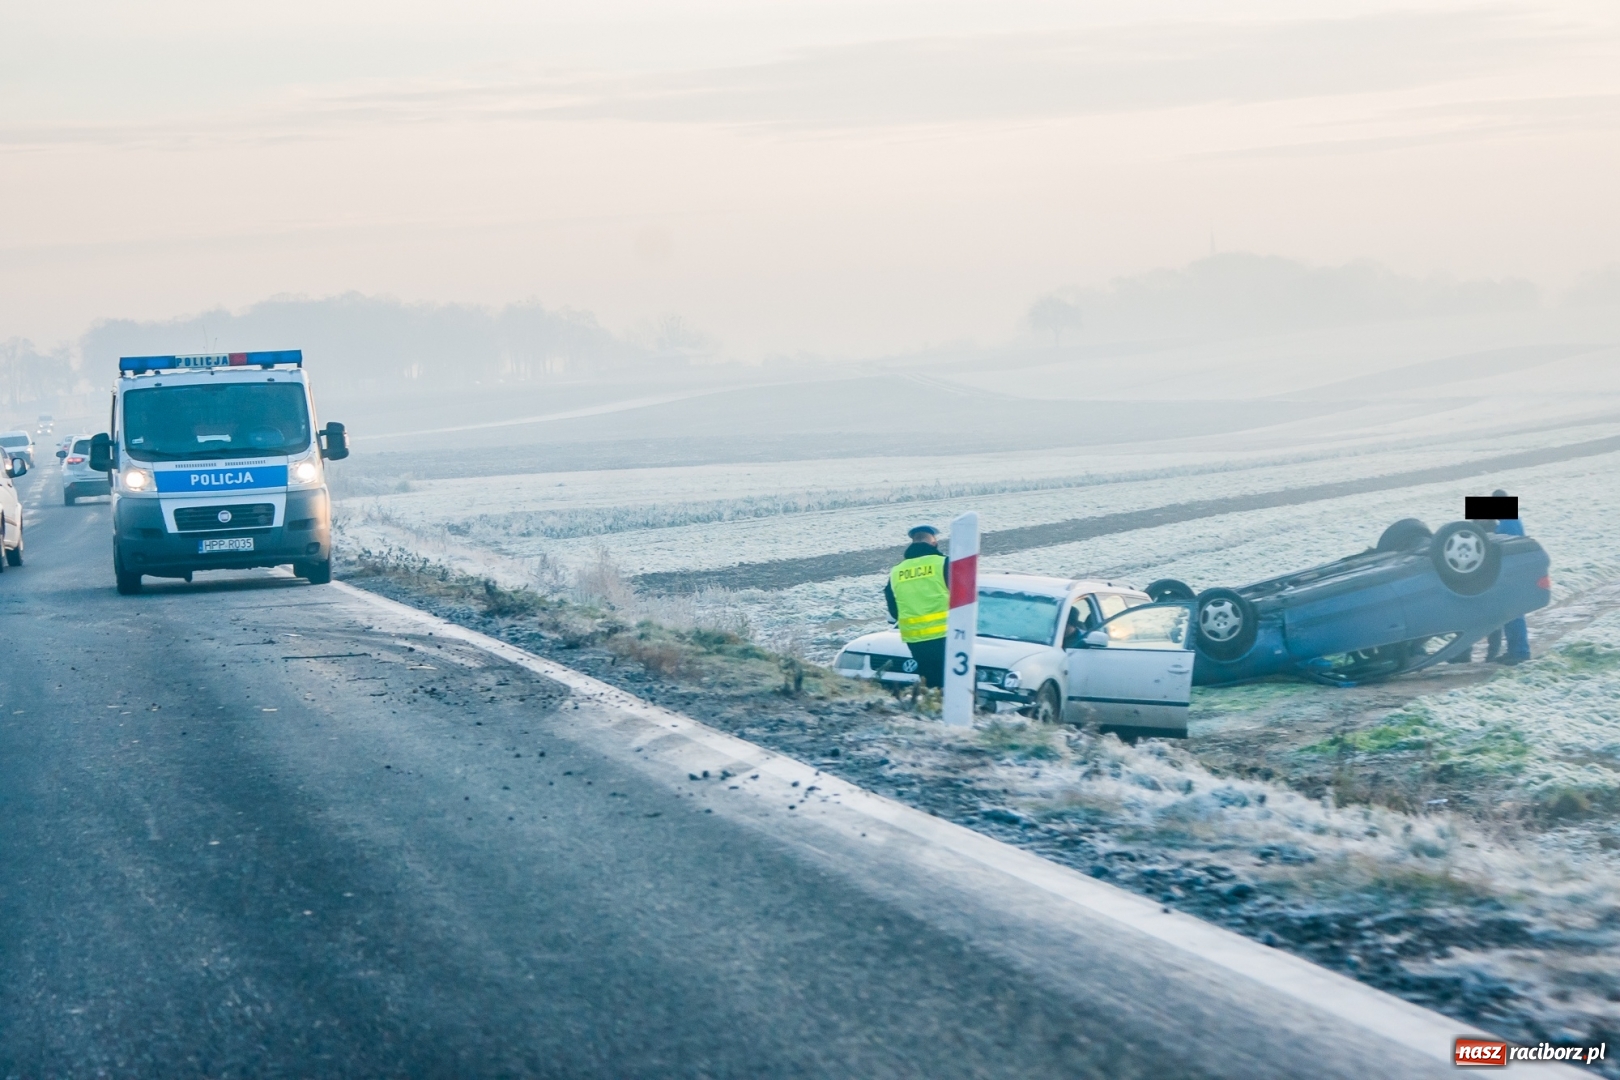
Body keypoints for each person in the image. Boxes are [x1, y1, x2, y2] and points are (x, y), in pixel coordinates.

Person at [884, 525, 950, 689]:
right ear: (934, 543)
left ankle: (931, 710)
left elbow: (893, 608)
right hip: (947, 635)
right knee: (953, 680)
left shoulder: (896, 571)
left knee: (930, 682)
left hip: (915, 638)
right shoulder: (944, 563)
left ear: (912, 543)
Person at [1486, 490, 1532, 665]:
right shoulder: (1509, 519)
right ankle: (1515, 651)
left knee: (1514, 613)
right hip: (1513, 572)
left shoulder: (1508, 522)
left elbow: (1508, 546)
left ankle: (1520, 652)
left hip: (1512, 573)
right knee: (1511, 613)